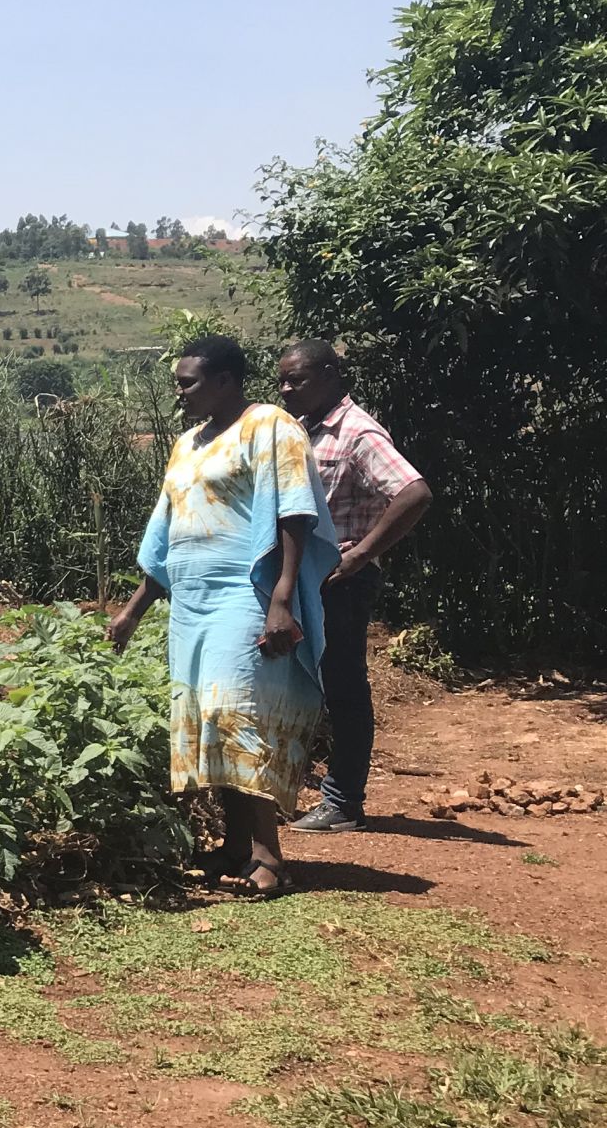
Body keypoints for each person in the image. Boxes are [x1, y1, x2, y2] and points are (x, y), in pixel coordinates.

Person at [109, 335, 339, 897]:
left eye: (188, 383)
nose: (179, 393)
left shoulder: (270, 426)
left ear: (225, 381)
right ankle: (235, 847)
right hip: (192, 603)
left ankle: (269, 856)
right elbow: (166, 532)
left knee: (239, 715)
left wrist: (281, 599)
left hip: (246, 595)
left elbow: (294, 512)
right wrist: (135, 609)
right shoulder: (189, 443)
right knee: (207, 718)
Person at [275, 339, 433, 833]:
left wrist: (362, 553)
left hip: (340, 585)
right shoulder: (303, 430)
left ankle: (343, 801)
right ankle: (302, 787)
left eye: (295, 379)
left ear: (328, 375)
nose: (284, 389)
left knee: (343, 688)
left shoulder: (357, 433)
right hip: (303, 582)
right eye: (281, 379)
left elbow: (414, 492)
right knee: (304, 683)